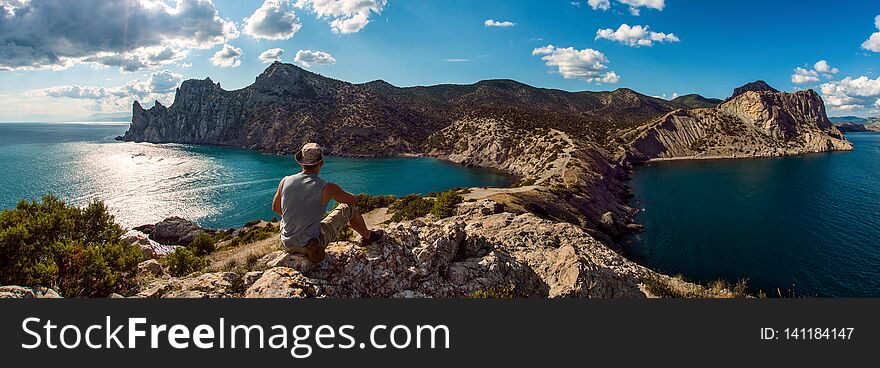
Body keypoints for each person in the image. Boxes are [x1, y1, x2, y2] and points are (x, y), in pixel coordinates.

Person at [272, 143, 382, 263]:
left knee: (286, 220)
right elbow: (352, 200)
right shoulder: (326, 187)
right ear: (321, 163)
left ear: (301, 163)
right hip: (309, 244)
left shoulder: (285, 181)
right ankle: (367, 236)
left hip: (286, 243)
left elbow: (276, 208)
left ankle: (295, 246)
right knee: (351, 208)